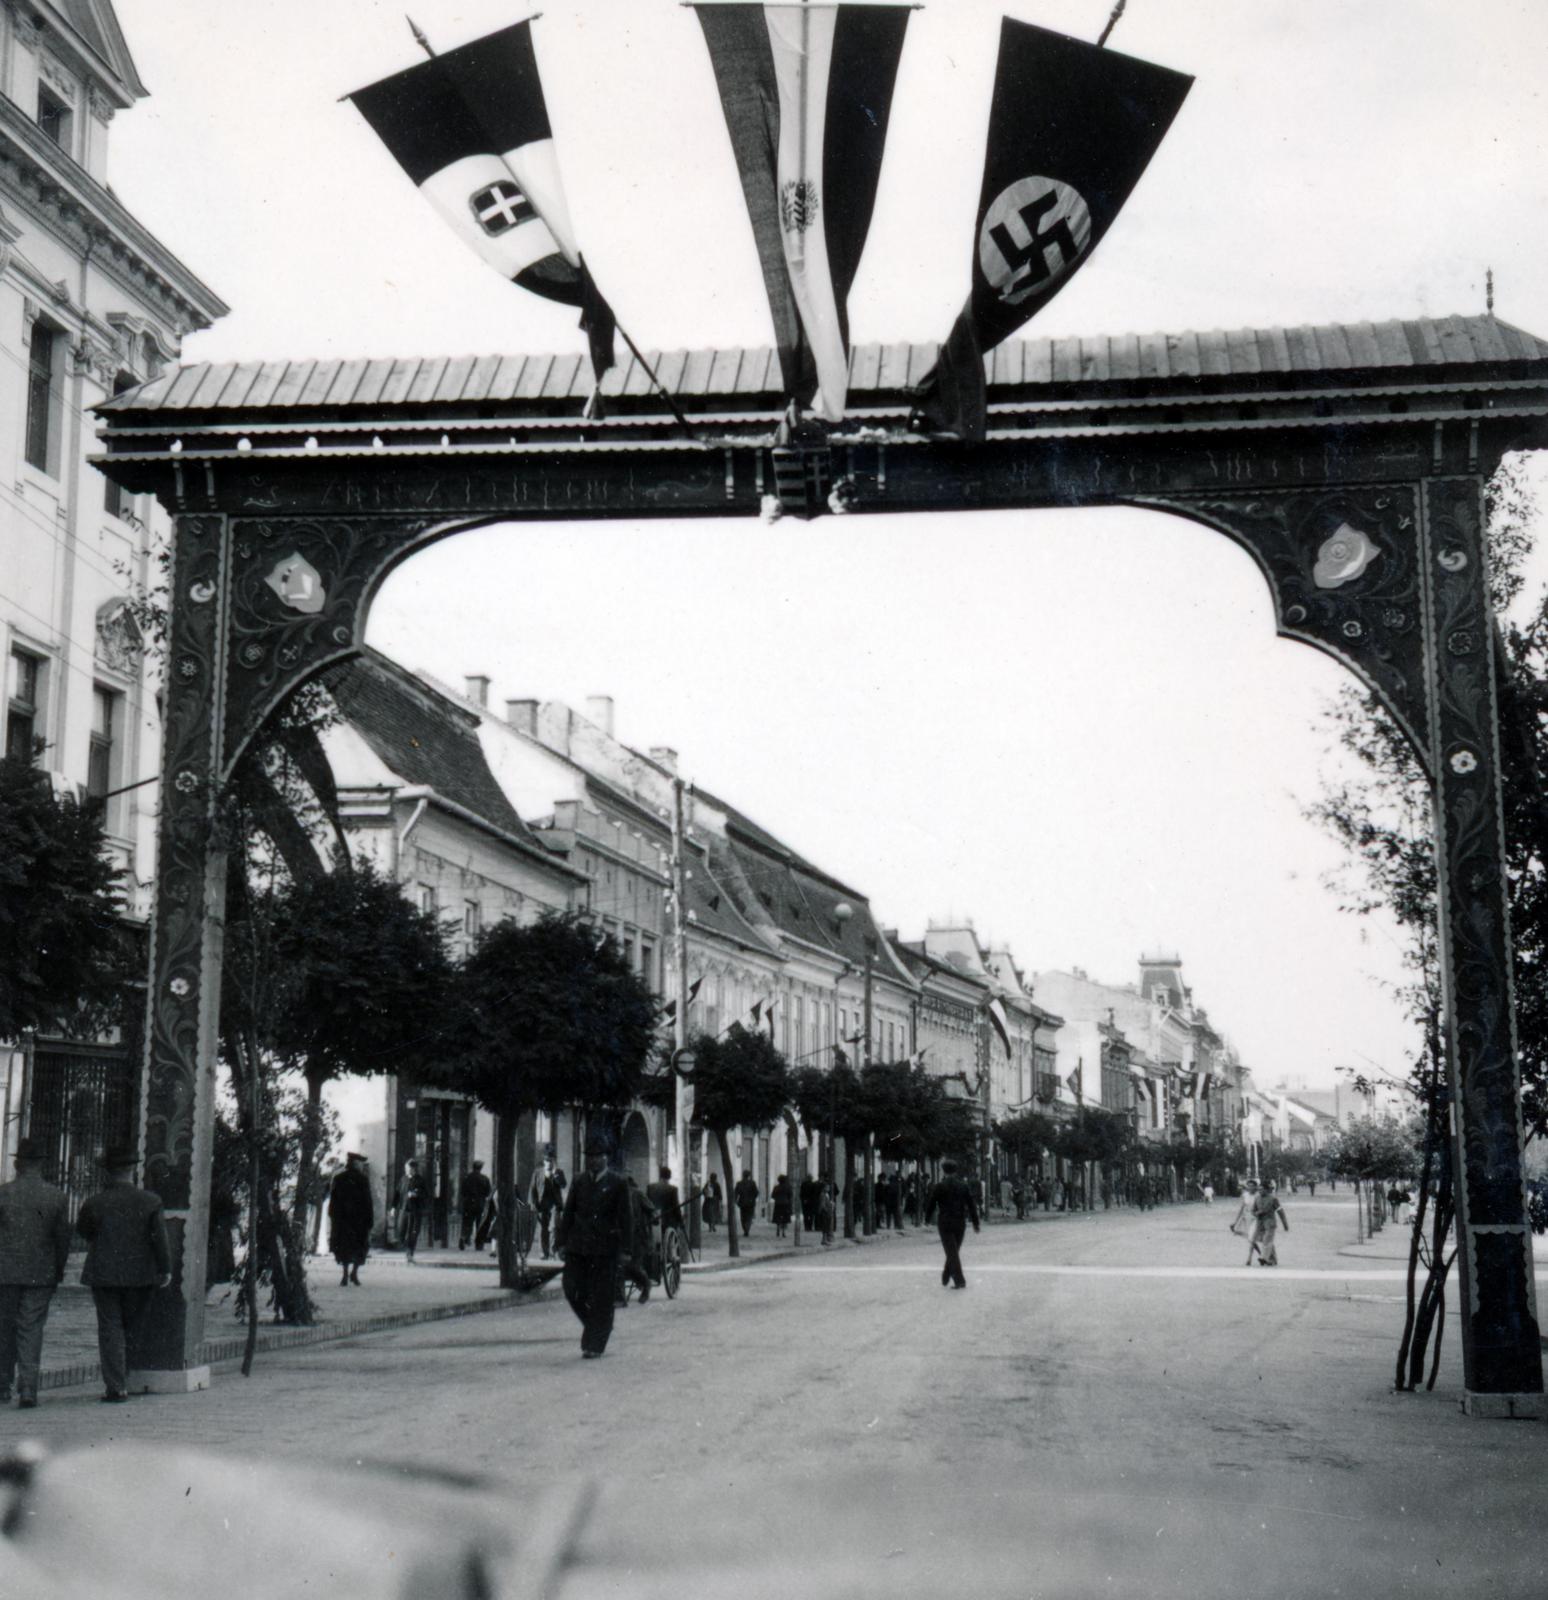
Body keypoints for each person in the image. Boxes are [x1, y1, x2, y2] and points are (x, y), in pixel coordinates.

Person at [76, 1145, 172, 1402]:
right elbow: (160, 1240)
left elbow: (84, 1232)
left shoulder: (94, 1203)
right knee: (132, 1327)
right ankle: (124, 1376)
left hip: (104, 1274)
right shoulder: (151, 1201)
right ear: (134, 1170)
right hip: (140, 1275)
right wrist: (165, 1269)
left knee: (110, 1328)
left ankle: (116, 1386)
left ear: (108, 1173)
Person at [0, 1137, 71, 1408]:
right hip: (40, 1273)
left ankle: (2, 1385)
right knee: (31, 1329)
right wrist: (59, 1270)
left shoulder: (3, 1194)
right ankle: (28, 1389)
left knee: (3, 1328)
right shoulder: (57, 1197)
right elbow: (62, 1240)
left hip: (4, 1273)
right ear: (41, 1164)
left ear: (17, 1164)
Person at [556, 1133, 631, 1358]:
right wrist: (561, 1243)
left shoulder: (618, 1183)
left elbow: (626, 1218)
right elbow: (568, 1213)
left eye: (598, 1156)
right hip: (578, 1247)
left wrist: (626, 1250)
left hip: (605, 1249)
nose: (594, 1160)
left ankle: (594, 1344)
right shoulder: (579, 1181)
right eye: (590, 1156)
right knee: (571, 1289)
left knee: (602, 1296)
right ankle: (598, 1327)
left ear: (606, 1158)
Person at [925, 1158, 980, 1289]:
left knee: (951, 1251)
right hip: (960, 1222)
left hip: (944, 1222)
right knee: (954, 1251)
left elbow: (931, 1203)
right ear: (955, 1171)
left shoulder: (939, 1186)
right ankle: (949, 1275)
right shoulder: (963, 1186)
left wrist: (926, 1219)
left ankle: (957, 1279)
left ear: (944, 1171)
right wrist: (975, 1223)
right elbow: (971, 1205)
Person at [326, 1152, 372, 1286]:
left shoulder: (339, 1178)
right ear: (355, 1164)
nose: (361, 1166)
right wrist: (369, 1221)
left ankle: (346, 1274)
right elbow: (368, 1202)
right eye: (360, 1163)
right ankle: (354, 1274)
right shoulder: (363, 1180)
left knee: (344, 1248)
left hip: (343, 1221)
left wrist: (333, 1217)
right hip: (359, 1222)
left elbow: (333, 1202)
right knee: (359, 1247)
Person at [616, 1176, 654, 1305]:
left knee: (633, 1265)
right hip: (621, 1236)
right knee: (618, 1265)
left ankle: (646, 1284)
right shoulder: (616, 1196)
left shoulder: (638, 1194)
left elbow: (651, 1209)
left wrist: (652, 1218)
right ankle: (620, 1297)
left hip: (637, 1236)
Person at [530, 1149, 567, 1259]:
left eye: (550, 1161)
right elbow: (533, 1189)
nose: (548, 1163)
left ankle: (553, 1251)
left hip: (555, 1205)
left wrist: (555, 1175)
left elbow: (563, 1185)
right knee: (543, 1229)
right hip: (542, 1205)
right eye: (546, 1161)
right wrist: (533, 1203)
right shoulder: (537, 1172)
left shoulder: (559, 1172)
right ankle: (543, 1252)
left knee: (554, 1228)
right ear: (543, 1161)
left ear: (553, 1161)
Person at [1248, 1180, 1289, 1266]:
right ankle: (1273, 1260)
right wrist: (1256, 1213)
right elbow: (1252, 1210)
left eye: (1262, 1189)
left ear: (1267, 1190)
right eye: (1259, 1189)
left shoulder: (1273, 1199)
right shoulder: (1257, 1198)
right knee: (1265, 1240)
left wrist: (1285, 1224)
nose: (1260, 1191)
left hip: (1270, 1223)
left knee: (1267, 1240)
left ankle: (1264, 1258)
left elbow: (1280, 1211)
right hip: (1260, 1223)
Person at [396, 1158, 429, 1261]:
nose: (406, 1170)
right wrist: (393, 1207)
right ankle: (406, 1248)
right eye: (406, 1168)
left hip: (415, 1211)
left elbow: (426, 1195)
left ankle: (410, 1252)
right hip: (403, 1210)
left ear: (413, 1169)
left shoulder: (420, 1180)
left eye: (408, 1168)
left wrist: (416, 1194)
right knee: (401, 1231)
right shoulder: (403, 1179)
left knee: (413, 1233)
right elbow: (397, 1194)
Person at [458, 1160, 491, 1251]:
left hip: (468, 1204)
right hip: (480, 1204)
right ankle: (479, 1245)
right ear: (481, 1168)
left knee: (467, 1223)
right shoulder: (485, 1179)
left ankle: (463, 1237)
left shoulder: (467, 1178)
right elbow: (488, 1192)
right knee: (479, 1224)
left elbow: (462, 1191)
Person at [646, 1165, 684, 1235]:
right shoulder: (672, 1189)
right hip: (668, 1222)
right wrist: (680, 1221)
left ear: (660, 1175)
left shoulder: (650, 1187)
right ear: (669, 1176)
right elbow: (676, 1207)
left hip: (653, 1220)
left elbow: (648, 1204)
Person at [734, 1170, 758, 1238]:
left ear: (743, 1175)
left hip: (742, 1202)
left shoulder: (739, 1183)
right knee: (749, 1217)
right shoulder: (752, 1183)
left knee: (743, 1217)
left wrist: (735, 1200)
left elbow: (736, 1192)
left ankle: (745, 1229)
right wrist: (753, 1198)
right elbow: (756, 1192)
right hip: (750, 1203)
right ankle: (747, 1229)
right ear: (749, 1176)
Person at [771, 1174, 793, 1239]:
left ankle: (778, 1228)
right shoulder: (788, 1187)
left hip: (778, 1204)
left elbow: (772, 1196)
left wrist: (777, 1198)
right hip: (786, 1204)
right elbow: (790, 1195)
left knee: (778, 1216)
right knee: (785, 1218)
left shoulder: (776, 1187)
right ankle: (783, 1232)